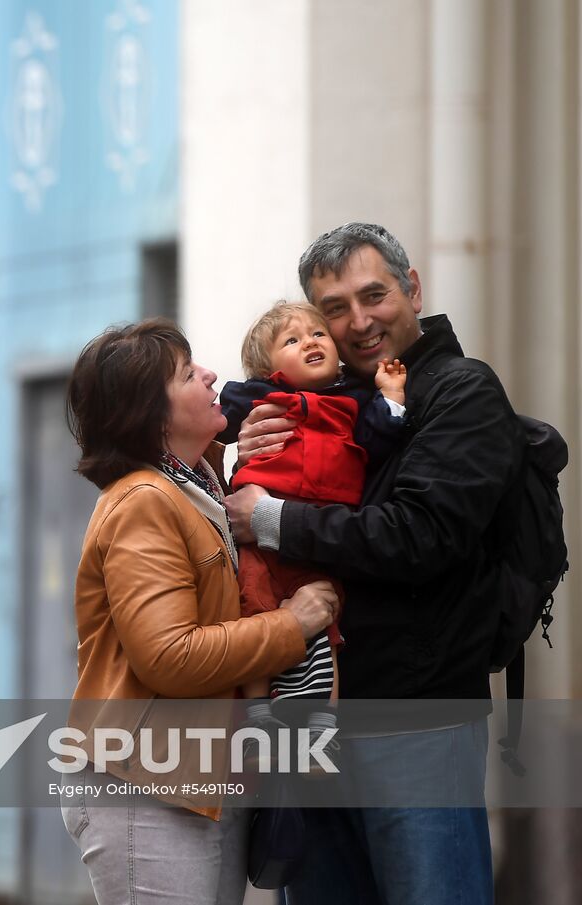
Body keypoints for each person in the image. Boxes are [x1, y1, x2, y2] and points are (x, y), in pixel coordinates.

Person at [226, 222, 523, 904]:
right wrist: (254, 450)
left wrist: (272, 517)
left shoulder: (461, 392)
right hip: (320, 720)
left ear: (412, 288)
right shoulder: (335, 406)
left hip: (417, 721)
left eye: (374, 295)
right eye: (334, 308)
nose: (358, 322)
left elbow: (416, 535)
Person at [60, 319, 338, 905]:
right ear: (153, 416)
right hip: (143, 783)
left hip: (198, 775)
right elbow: (169, 656)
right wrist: (296, 625)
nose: (212, 375)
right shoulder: (144, 503)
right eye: (189, 374)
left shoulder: (198, 484)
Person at [216, 301, 408, 760]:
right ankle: (258, 721)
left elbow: (380, 437)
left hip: (318, 538)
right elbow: (217, 421)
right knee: (257, 615)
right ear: (267, 367)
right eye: (292, 340)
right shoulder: (257, 398)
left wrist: (392, 397)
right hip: (259, 541)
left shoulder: (354, 402)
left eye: (318, 334)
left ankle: (322, 732)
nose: (310, 342)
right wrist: (235, 436)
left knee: (324, 631)